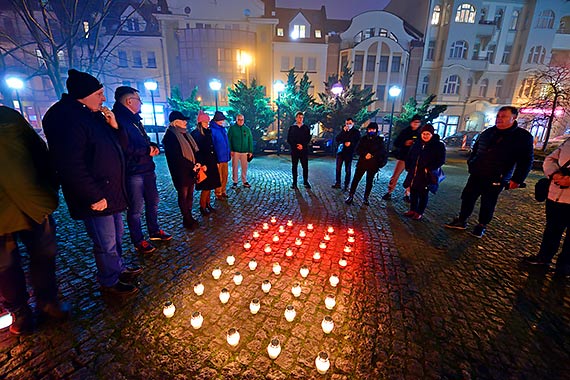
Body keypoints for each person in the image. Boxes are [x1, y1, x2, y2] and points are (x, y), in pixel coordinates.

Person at [43, 69, 141, 297]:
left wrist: (115, 126)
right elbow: (70, 164)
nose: (103, 98)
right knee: (105, 241)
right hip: (97, 195)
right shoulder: (67, 118)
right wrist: (94, 196)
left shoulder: (94, 115)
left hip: (113, 190)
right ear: (83, 95)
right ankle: (109, 281)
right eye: (99, 93)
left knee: (116, 235)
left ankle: (118, 269)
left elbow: (121, 147)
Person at [0, 106, 69, 335]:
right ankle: (25, 309)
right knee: (9, 264)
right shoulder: (10, 118)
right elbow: (41, 154)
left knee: (38, 256)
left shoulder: (9, 118)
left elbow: (40, 154)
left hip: (33, 204)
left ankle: (40, 304)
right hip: (27, 205)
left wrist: (48, 190)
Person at [445, 106, 534, 238]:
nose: (499, 119)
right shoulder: (488, 132)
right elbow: (476, 150)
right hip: (477, 174)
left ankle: (481, 225)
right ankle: (462, 220)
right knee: (468, 197)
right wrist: (472, 163)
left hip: (497, 177)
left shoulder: (522, 137)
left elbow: (526, 160)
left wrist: (517, 179)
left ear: (513, 118)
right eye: (498, 116)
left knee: (488, 202)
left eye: (503, 116)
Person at [113, 86, 171, 254]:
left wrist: (151, 146)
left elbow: (142, 141)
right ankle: (138, 240)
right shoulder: (119, 121)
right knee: (136, 208)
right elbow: (125, 147)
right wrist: (146, 151)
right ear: (129, 101)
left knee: (153, 202)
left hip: (147, 168)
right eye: (139, 100)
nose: (141, 103)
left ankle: (154, 231)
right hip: (134, 171)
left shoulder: (134, 119)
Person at [523, 139, 570, 275]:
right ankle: (544, 257)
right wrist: (555, 174)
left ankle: (565, 266)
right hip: (555, 196)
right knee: (551, 230)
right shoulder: (568, 142)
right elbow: (550, 159)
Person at [162, 111, 201, 230]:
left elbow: (193, 149)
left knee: (190, 194)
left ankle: (189, 216)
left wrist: (197, 162)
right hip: (181, 171)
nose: (185, 122)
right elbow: (176, 156)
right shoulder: (170, 136)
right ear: (175, 122)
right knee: (183, 195)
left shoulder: (185, 134)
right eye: (182, 120)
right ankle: (187, 218)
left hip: (191, 170)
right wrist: (191, 165)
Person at [402, 124, 446, 220]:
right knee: (413, 191)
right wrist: (408, 166)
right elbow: (409, 156)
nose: (425, 136)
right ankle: (412, 209)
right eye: (424, 133)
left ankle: (419, 212)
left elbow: (441, 160)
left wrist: (430, 168)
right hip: (414, 172)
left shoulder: (438, 145)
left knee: (423, 193)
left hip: (426, 174)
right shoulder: (417, 144)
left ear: (432, 134)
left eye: (428, 134)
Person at [345, 122, 388, 206]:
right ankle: (351, 195)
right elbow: (358, 149)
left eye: (373, 129)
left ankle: (366, 197)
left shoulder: (379, 140)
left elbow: (382, 152)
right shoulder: (363, 139)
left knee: (369, 181)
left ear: (376, 130)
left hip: (373, 164)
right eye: (369, 129)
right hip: (362, 163)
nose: (371, 131)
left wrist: (373, 156)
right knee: (356, 179)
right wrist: (365, 154)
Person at [383, 114, 422, 201]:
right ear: (411, 122)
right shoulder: (405, 131)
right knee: (395, 175)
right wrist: (405, 143)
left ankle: (407, 193)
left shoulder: (420, 132)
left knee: (411, 176)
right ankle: (389, 191)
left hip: (414, 158)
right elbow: (396, 142)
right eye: (415, 122)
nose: (416, 124)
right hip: (403, 156)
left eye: (418, 122)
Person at [191, 111, 222, 215]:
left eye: (207, 122)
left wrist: (216, 160)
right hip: (205, 164)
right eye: (205, 122)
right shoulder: (197, 134)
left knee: (211, 185)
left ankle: (208, 204)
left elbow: (212, 147)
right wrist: (202, 163)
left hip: (211, 162)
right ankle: (202, 206)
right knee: (206, 186)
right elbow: (197, 151)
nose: (207, 123)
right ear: (200, 122)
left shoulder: (207, 132)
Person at [332, 117, 360, 191]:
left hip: (349, 153)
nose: (348, 125)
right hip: (341, 152)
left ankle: (346, 185)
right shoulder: (343, 131)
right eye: (347, 123)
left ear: (353, 123)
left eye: (350, 123)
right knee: (338, 168)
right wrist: (343, 132)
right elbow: (337, 139)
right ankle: (338, 183)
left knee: (347, 170)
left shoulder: (356, 132)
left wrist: (350, 143)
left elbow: (357, 142)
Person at [227, 114, 253, 188]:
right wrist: (230, 149)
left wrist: (250, 151)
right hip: (235, 151)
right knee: (235, 166)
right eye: (239, 119)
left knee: (244, 167)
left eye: (242, 120)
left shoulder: (247, 129)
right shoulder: (232, 129)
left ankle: (244, 180)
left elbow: (250, 140)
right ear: (236, 120)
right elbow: (229, 140)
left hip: (245, 151)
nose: (241, 121)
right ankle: (235, 181)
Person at [287, 111, 312, 189]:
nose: (301, 119)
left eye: (302, 117)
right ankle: (294, 183)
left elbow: (308, 138)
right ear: (296, 118)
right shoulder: (292, 128)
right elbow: (289, 139)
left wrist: (303, 145)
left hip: (304, 150)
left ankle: (305, 181)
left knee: (305, 166)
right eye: (299, 117)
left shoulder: (306, 128)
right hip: (295, 150)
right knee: (294, 166)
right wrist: (296, 145)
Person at [210, 111, 231, 200]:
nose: (222, 121)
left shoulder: (223, 129)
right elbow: (213, 144)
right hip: (218, 157)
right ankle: (218, 192)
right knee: (219, 176)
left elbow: (226, 142)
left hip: (224, 157)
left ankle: (223, 191)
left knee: (225, 175)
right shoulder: (213, 130)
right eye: (221, 120)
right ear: (216, 120)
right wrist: (215, 157)